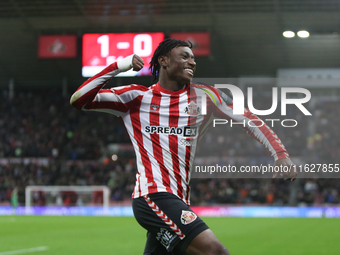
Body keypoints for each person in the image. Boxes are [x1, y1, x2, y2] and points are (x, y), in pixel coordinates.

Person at [70, 38, 297, 255]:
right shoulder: (136, 97)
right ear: (164, 61)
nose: (192, 62)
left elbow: (250, 119)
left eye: (193, 58)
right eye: (185, 56)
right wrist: (119, 66)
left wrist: (280, 153)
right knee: (215, 251)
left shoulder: (207, 96)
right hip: (153, 195)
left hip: (180, 200)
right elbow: (79, 99)